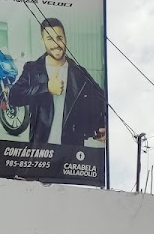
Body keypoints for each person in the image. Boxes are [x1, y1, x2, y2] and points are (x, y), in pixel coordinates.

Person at [8, 18, 107, 147]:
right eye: (50, 39)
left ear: (65, 39)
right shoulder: (32, 68)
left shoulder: (79, 73)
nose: (56, 44)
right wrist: (46, 88)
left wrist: (99, 127)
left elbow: (101, 100)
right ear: (42, 41)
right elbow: (14, 97)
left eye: (59, 38)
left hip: (71, 151)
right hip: (40, 149)